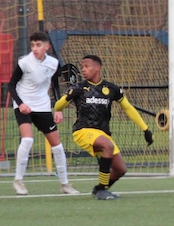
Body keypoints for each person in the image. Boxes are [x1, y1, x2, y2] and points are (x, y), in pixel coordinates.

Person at [53, 54, 154, 200]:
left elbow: (128, 108)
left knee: (120, 169)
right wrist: (65, 100)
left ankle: (98, 189)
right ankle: (101, 190)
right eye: (82, 67)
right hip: (83, 130)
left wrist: (145, 129)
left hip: (103, 133)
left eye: (87, 66)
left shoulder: (111, 88)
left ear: (98, 68)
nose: (83, 69)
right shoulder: (79, 87)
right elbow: (58, 106)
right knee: (107, 146)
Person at [8, 30, 79, 196]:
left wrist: (58, 109)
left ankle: (65, 184)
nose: (35, 48)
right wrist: (21, 104)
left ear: (46, 47)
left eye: (38, 45)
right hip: (23, 104)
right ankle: (18, 181)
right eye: (33, 45)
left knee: (57, 145)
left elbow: (55, 85)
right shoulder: (24, 63)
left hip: (43, 106)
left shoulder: (53, 63)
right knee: (27, 139)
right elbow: (11, 85)